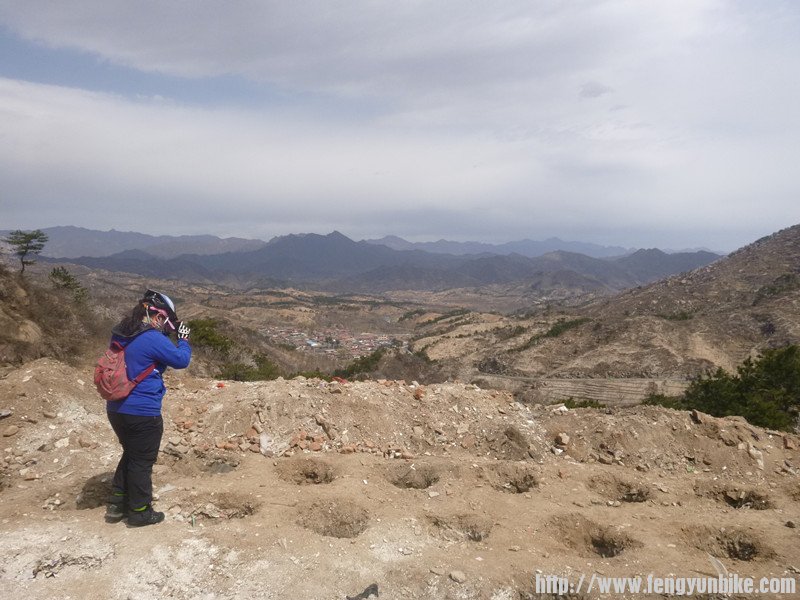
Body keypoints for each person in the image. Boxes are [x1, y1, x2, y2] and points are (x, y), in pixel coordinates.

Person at [105, 289, 191, 526]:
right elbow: (181, 360)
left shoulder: (123, 332)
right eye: (164, 320)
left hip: (116, 409)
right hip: (142, 411)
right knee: (142, 462)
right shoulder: (152, 337)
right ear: (156, 315)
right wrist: (183, 339)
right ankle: (140, 511)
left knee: (131, 454)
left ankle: (116, 505)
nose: (165, 326)